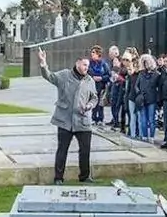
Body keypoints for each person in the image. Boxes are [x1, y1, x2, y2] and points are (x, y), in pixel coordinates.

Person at [37, 48, 97, 184]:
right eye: (84, 65)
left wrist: (89, 105)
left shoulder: (90, 81)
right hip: (65, 120)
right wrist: (43, 63)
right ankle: (58, 178)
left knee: (85, 151)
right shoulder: (64, 75)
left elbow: (94, 98)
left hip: (83, 121)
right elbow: (49, 76)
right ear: (77, 63)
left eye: (88, 65)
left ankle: (85, 176)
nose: (86, 68)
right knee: (62, 150)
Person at [135, 54, 161, 142]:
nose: (145, 64)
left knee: (151, 119)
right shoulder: (141, 73)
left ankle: (152, 137)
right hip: (142, 99)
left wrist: (158, 98)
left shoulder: (156, 74)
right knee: (143, 119)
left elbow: (159, 87)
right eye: (144, 63)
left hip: (152, 99)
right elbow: (136, 86)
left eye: (147, 62)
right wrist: (139, 93)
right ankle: (145, 136)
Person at [88, 46, 111, 126]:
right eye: (92, 52)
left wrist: (101, 78)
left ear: (99, 54)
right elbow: (86, 74)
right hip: (92, 86)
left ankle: (101, 119)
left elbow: (108, 75)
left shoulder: (104, 64)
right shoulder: (89, 64)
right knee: (93, 102)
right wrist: (92, 78)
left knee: (100, 103)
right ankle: (93, 118)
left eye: (94, 52)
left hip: (101, 86)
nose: (92, 54)